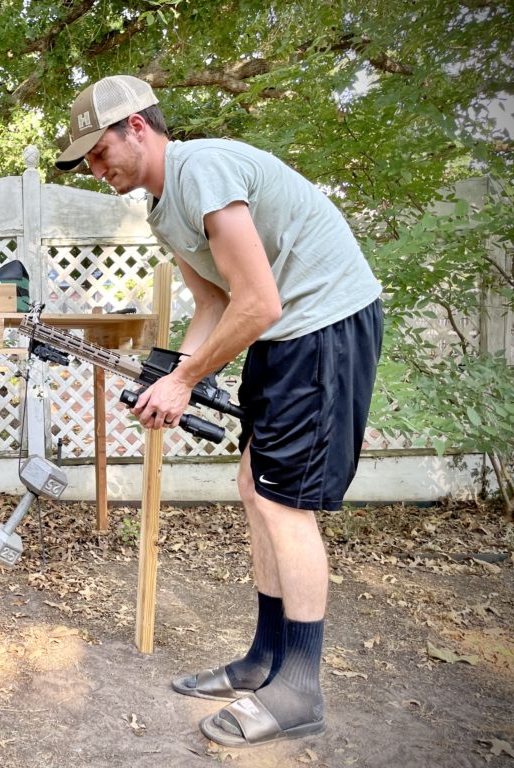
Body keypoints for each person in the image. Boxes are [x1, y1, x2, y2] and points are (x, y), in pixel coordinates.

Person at [55, 75, 383, 747]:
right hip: (285, 332)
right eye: (85, 160)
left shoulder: (200, 169)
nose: (96, 168)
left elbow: (259, 301)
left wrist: (185, 381)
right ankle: (266, 657)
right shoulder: (159, 207)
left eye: (98, 151)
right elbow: (214, 304)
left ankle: (300, 687)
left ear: (138, 128)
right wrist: (173, 377)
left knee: (287, 504)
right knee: (255, 488)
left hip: (322, 324)